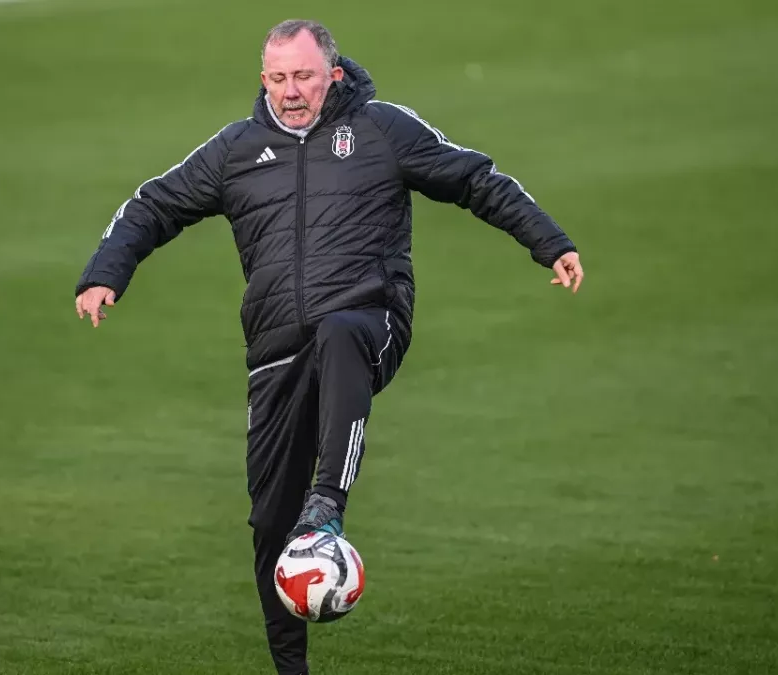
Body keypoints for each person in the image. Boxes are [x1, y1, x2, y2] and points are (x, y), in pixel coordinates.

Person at [74, 19, 584, 675]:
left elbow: (474, 179)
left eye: (304, 76)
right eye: (278, 78)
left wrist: (550, 241)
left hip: (372, 319)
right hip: (276, 350)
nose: (290, 91)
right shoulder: (236, 150)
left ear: (333, 75)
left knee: (340, 334)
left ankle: (328, 505)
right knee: (269, 525)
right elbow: (154, 205)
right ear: (264, 80)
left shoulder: (380, 129)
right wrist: (106, 273)